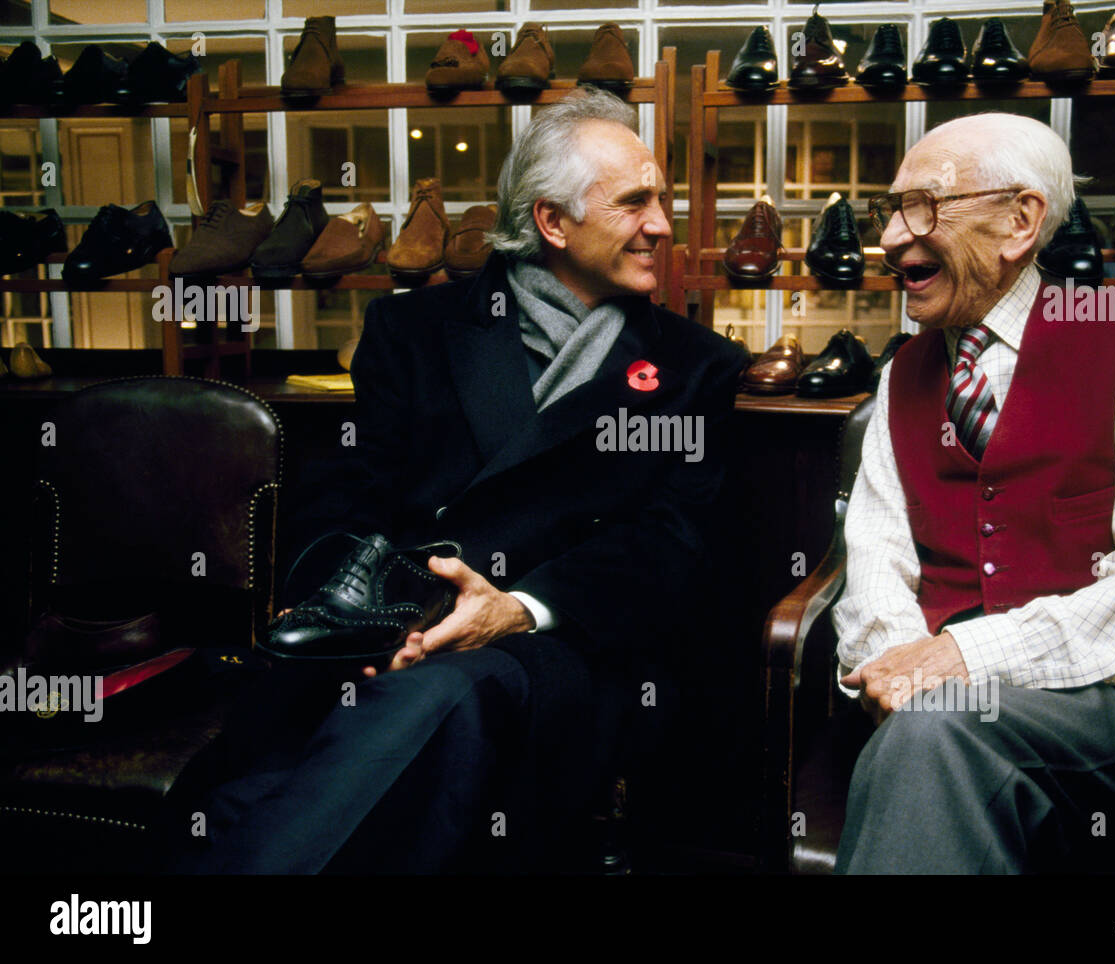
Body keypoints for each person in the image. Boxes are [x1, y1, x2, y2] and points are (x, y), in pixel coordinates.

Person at [178, 88, 747, 873]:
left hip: (562, 648)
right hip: (395, 632)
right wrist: (380, 619)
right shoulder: (411, 330)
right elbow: (350, 492)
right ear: (552, 222)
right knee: (345, 753)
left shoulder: (695, 368)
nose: (660, 223)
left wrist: (511, 608)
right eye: (634, 202)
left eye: (662, 200)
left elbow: (671, 544)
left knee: (433, 708)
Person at [831, 113, 1115, 874]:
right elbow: (875, 564)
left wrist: (963, 656)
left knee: (936, 730)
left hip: (1110, 705)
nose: (893, 238)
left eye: (923, 207)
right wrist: (902, 667)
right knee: (933, 730)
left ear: (1020, 220)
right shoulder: (902, 371)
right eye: (890, 211)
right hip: (932, 716)